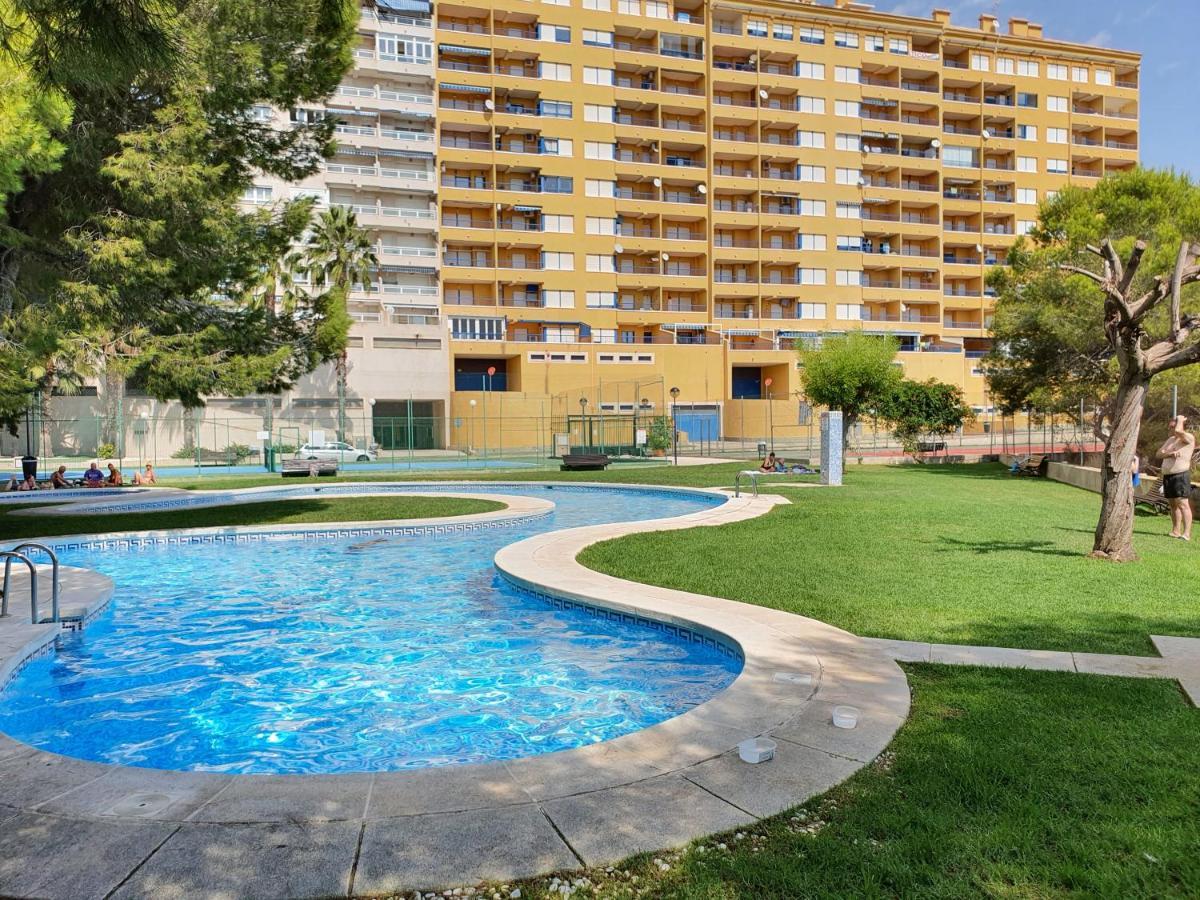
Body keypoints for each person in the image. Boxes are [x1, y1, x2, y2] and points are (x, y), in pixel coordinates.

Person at [1158, 415, 1195, 541]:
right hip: (1168, 476)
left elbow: (1179, 431)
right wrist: (1169, 454)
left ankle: (1186, 534)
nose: (1171, 428)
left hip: (1180, 476)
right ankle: (1176, 531)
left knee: (1183, 504)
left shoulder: (1188, 438)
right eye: (1170, 426)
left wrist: (1180, 419)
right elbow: (1158, 454)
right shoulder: (1170, 440)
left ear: (1181, 425)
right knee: (1173, 504)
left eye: (1173, 426)